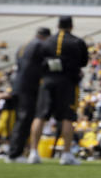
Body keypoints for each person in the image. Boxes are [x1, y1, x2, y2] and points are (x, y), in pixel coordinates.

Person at [28, 17, 88, 165]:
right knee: (68, 117)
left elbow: (38, 61)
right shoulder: (77, 42)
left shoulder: (47, 42)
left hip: (48, 81)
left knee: (40, 116)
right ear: (71, 26)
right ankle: (66, 155)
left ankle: (33, 152)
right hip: (68, 82)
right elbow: (84, 62)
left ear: (57, 25)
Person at [5, 27, 50, 163]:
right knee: (24, 119)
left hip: (18, 84)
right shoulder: (39, 45)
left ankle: (14, 151)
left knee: (21, 119)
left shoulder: (24, 45)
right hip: (29, 86)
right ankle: (14, 154)